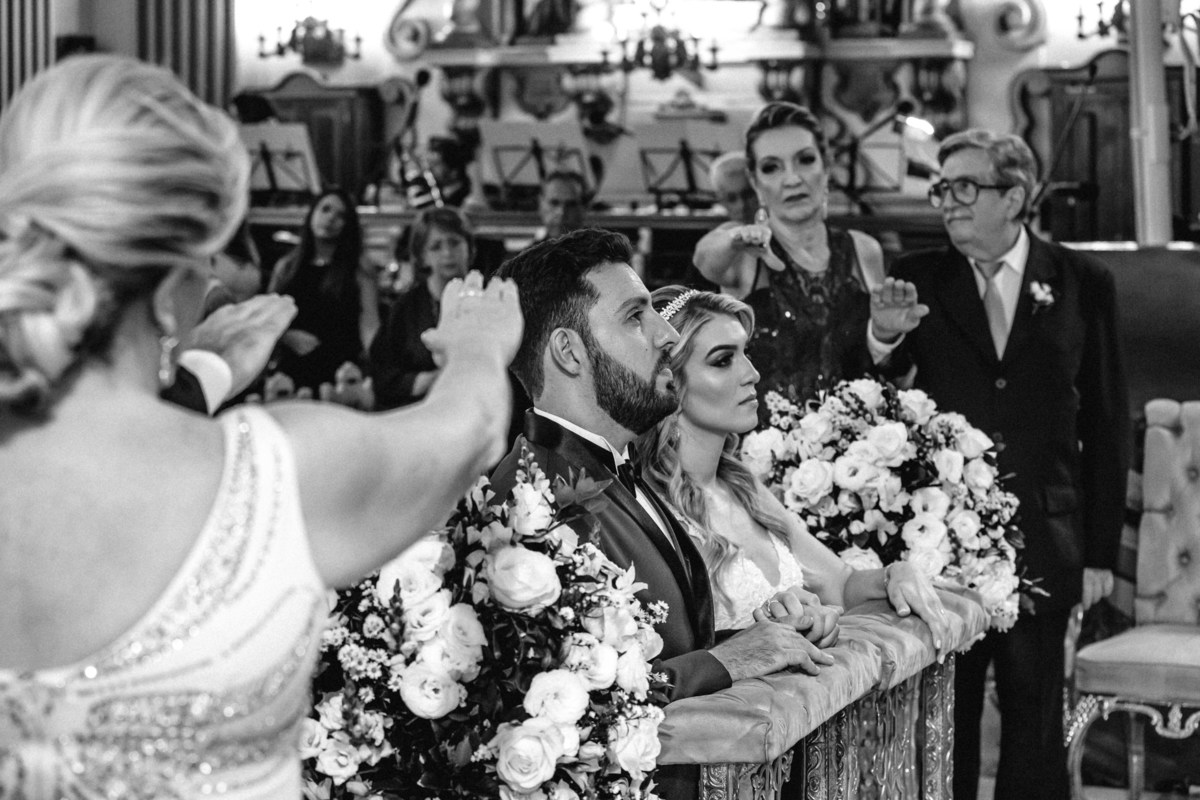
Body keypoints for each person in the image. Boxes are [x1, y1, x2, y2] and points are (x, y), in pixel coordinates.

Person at [0, 54, 521, 799]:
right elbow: (466, 430)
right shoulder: (277, 475)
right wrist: (475, 344)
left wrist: (204, 376)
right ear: (179, 278)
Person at [492, 228, 837, 800]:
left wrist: (767, 632)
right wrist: (729, 660)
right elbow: (560, 702)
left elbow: (661, 646)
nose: (665, 333)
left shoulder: (622, 468)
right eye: (635, 317)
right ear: (568, 351)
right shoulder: (529, 502)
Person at [869, 129, 1130, 800]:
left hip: (1047, 537)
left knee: (1036, 719)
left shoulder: (1082, 281)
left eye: (964, 186)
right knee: (944, 722)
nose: (947, 202)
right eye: (941, 188)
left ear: (1014, 196)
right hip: (942, 542)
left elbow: (1106, 420)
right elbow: (884, 393)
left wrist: (1100, 554)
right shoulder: (919, 276)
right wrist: (886, 337)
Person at [636, 286, 952, 647]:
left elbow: (843, 585)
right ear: (669, 383)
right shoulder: (647, 508)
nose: (752, 373)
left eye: (746, 353)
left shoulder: (742, 486)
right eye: (723, 360)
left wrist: (897, 574)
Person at [692, 102, 887, 421]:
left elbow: (881, 354)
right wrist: (737, 238)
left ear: (827, 167)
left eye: (805, 160)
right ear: (755, 182)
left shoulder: (863, 250)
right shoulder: (742, 252)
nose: (792, 179)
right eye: (772, 167)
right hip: (765, 454)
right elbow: (706, 260)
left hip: (858, 452)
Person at [268, 189, 380, 392]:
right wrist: (286, 336)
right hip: (291, 373)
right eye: (325, 209)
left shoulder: (359, 269)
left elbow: (369, 322)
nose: (330, 218)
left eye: (340, 215)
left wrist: (377, 365)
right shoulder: (286, 267)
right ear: (312, 213)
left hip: (341, 373)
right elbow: (267, 320)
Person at [369, 207, 475, 409]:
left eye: (454, 243)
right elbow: (383, 374)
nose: (447, 253)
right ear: (422, 256)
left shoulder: (490, 298)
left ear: (469, 246)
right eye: (436, 246)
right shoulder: (405, 308)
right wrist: (430, 380)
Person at [535, 170, 588, 242]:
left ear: (585, 208)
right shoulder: (528, 253)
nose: (561, 212)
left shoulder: (603, 252)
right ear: (541, 205)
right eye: (554, 203)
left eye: (571, 205)